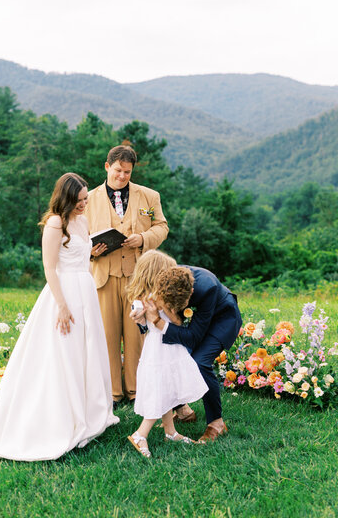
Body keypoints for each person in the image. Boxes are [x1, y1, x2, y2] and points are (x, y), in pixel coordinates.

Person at [0, 173, 119, 461]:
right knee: (64, 353)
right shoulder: (54, 224)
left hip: (85, 291)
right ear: (66, 198)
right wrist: (62, 306)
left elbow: (76, 257)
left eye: (86, 199)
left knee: (86, 351)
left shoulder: (83, 221)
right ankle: (60, 415)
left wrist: (92, 254)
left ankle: (89, 411)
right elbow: (50, 267)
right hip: (63, 294)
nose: (85, 204)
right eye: (79, 200)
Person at [85, 145, 169, 404]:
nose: (122, 176)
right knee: (107, 336)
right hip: (103, 277)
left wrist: (143, 238)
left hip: (138, 279)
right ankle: (112, 392)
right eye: (118, 170)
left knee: (137, 335)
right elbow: (76, 237)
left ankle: (136, 390)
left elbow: (162, 227)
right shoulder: (87, 199)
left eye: (127, 172)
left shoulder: (149, 196)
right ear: (107, 166)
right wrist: (91, 252)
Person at [131, 250, 242, 443]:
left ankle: (217, 423)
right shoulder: (164, 283)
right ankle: (183, 410)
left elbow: (192, 338)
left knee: (199, 362)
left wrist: (156, 320)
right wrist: (142, 320)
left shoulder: (204, 286)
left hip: (222, 319)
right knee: (169, 360)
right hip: (191, 325)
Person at [127, 266, 208, 458]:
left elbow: (177, 323)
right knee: (161, 390)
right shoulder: (147, 300)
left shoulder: (167, 301)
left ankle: (170, 432)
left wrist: (164, 309)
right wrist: (139, 314)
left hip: (171, 348)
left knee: (169, 388)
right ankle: (140, 434)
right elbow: (140, 318)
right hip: (157, 350)